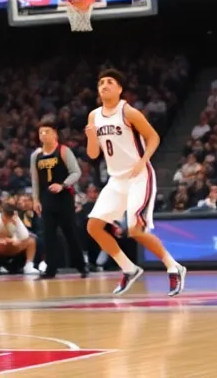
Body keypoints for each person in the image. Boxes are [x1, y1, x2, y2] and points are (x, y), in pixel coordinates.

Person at [84, 68, 186, 296]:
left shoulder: (128, 112)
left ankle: (174, 266)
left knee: (136, 231)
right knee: (93, 226)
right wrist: (91, 136)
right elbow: (92, 154)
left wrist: (144, 160)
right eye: (101, 82)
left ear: (119, 89)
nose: (105, 85)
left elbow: (154, 137)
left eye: (110, 82)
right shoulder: (93, 116)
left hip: (139, 176)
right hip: (116, 179)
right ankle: (129, 268)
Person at [31, 118, 88, 278]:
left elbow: (76, 172)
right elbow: (35, 180)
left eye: (47, 132)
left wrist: (62, 185)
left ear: (55, 134)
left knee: (70, 232)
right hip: (46, 199)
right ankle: (51, 269)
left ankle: (81, 266)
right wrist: (35, 200)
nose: (43, 135)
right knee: (48, 235)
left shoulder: (63, 150)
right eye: (41, 132)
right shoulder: (36, 155)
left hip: (64, 198)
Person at [0, 203, 37, 274]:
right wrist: (1, 241)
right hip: (0, 247)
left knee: (31, 241)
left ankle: (29, 265)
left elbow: (25, 236)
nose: (7, 218)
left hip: (14, 247)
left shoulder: (16, 219)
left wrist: (17, 241)